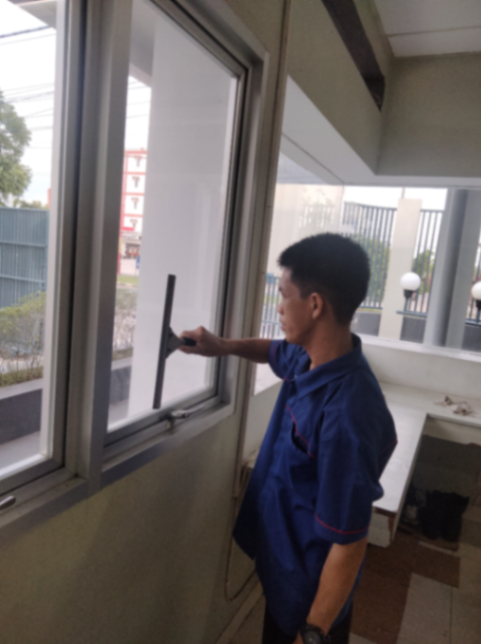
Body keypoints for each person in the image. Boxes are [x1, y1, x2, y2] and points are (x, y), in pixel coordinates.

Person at [180, 233, 397, 644]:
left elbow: (349, 542)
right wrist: (221, 346)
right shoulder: (311, 355)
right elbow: (272, 351)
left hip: (311, 596)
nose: (277, 308)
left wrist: (312, 633)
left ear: (315, 305)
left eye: (283, 295)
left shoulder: (347, 413)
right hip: (284, 568)